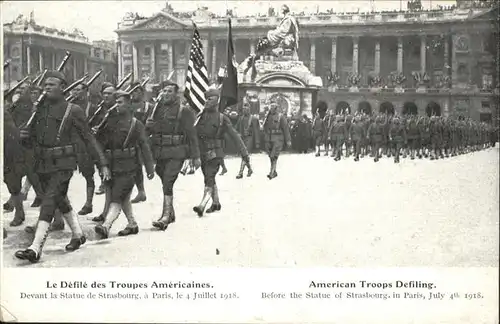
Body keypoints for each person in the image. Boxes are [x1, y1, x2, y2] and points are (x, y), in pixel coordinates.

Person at [15, 71, 110, 264]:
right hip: (43, 164)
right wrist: (24, 137)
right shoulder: (40, 109)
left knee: (49, 201)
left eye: (51, 84)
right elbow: (32, 139)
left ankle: (35, 248)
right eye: (45, 85)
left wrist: (103, 163)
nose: (46, 87)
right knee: (59, 200)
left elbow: (88, 138)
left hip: (64, 164)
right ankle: (78, 235)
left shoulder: (72, 110)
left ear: (62, 87)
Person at [94, 90, 155, 239]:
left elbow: (144, 146)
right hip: (112, 164)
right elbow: (100, 143)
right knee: (124, 197)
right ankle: (132, 224)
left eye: (120, 102)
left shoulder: (136, 124)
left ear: (128, 105)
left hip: (129, 166)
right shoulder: (109, 122)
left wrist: (149, 167)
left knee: (117, 196)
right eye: (116, 102)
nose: (116, 105)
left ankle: (106, 226)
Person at [145, 80, 201, 230]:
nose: (166, 94)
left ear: (176, 94)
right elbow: (150, 130)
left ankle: (165, 217)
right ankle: (170, 213)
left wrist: (195, 156)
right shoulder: (156, 109)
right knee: (162, 177)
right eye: (164, 91)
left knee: (168, 180)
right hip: (160, 150)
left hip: (177, 150)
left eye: (170, 91)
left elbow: (192, 134)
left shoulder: (184, 111)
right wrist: (148, 126)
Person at [193, 88, 250, 216]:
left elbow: (235, 136)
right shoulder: (200, 116)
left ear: (217, 101)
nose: (207, 101)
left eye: (210, 99)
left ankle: (202, 204)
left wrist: (244, 153)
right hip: (202, 152)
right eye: (206, 99)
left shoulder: (222, 118)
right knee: (209, 177)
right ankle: (216, 203)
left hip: (215, 153)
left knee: (209, 176)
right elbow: (193, 135)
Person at [91, 83, 117, 222]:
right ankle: (106, 211)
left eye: (110, 94)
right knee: (107, 183)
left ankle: (108, 213)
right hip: (100, 150)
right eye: (105, 93)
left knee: (112, 184)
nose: (106, 96)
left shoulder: (118, 110)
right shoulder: (99, 110)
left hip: (114, 151)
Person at [69, 82, 96, 215]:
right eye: (73, 90)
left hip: (86, 145)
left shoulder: (92, 107)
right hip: (70, 144)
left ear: (86, 91)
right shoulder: (69, 106)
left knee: (88, 175)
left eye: (78, 90)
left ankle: (88, 203)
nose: (75, 92)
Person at [129, 82, 152, 204]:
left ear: (142, 93)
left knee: (139, 164)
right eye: (132, 91)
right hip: (130, 138)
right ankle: (140, 191)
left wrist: (150, 125)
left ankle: (141, 190)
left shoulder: (149, 107)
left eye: (136, 91)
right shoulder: (128, 106)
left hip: (145, 138)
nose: (134, 94)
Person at [263, 100, 291, 179]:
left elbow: (285, 129)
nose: (271, 108)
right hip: (269, 138)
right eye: (270, 106)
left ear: (276, 108)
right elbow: (265, 127)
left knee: (274, 155)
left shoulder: (281, 116)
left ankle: (271, 173)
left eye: (273, 107)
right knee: (270, 155)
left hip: (278, 138)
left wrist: (288, 140)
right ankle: (274, 171)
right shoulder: (267, 116)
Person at [235, 101, 260, 179]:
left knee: (244, 155)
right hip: (242, 139)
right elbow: (236, 128)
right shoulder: (241, 118)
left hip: (250, 139)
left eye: (246, 109)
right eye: (243, 109)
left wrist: (257, 142)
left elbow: (256, 131)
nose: (244, 110)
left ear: (249, 109)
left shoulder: (254, 119)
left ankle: (240, 172)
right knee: (244, 155)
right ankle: (249, 169)